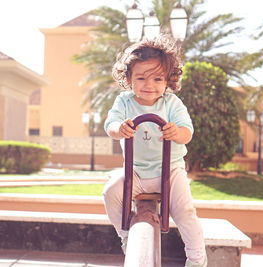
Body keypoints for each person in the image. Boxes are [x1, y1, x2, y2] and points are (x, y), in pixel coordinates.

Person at [103, 34, 207, 267]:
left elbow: (187, 131)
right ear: (129, 79)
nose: (149, 85)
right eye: (141, 78)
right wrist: (119, 129)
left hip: (169, 171)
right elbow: (110, 126)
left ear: (168, 81)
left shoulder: (171, 103)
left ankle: (197, 258)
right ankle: (126, 236)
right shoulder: (124, 102)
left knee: (185, 211)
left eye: (157, 79)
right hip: (136, 172)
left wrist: (176, 132)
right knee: (111, 192)